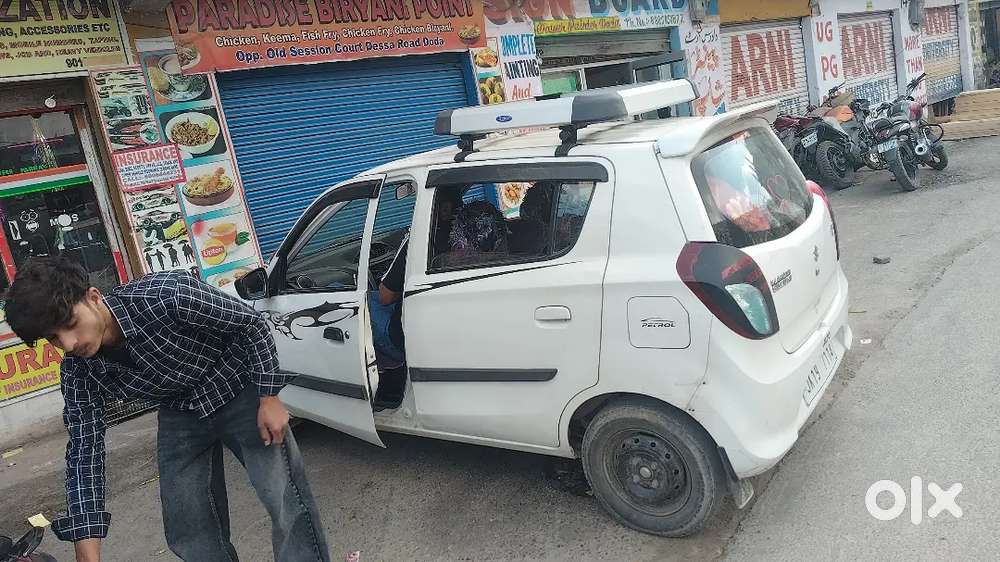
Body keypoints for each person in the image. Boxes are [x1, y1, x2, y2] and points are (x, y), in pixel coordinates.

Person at [4, 257, 331, 562]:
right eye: (54, 339)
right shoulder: (79, 371)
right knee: (187, 522)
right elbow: (84, 452)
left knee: (283, 497)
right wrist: (87, 555)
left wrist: (268, 395)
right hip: (181, 410)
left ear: (93, 297)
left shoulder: (166, 295)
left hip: (238, 388)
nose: (70, 343)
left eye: (71, 323)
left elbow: (250, 324)